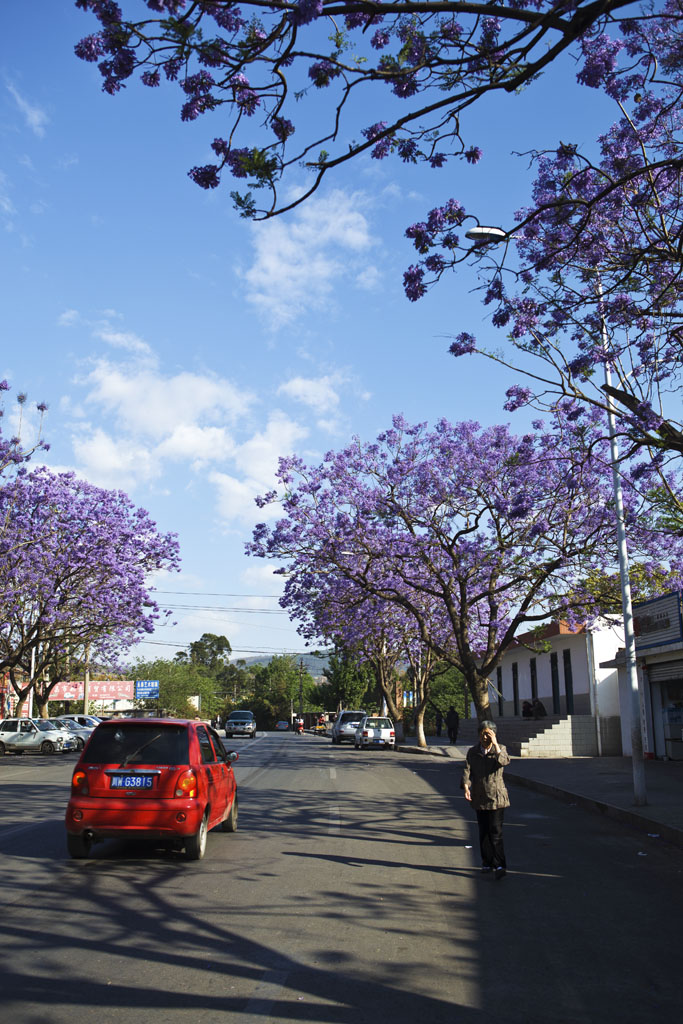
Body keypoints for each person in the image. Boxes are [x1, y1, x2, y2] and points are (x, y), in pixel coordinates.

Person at [462, 720, 510, 879]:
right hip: (479, 796)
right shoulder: (473, 752)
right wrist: (467, 786)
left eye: (488, 734)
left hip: (497, 797)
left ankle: (500, 864)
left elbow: (504, 761)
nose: (484, 737)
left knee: (496, 832)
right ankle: (487, 862)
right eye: (482, 733)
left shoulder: (500, 749)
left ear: (494, 735)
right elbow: (467, 771)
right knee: (483, 832)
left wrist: (495, 744)